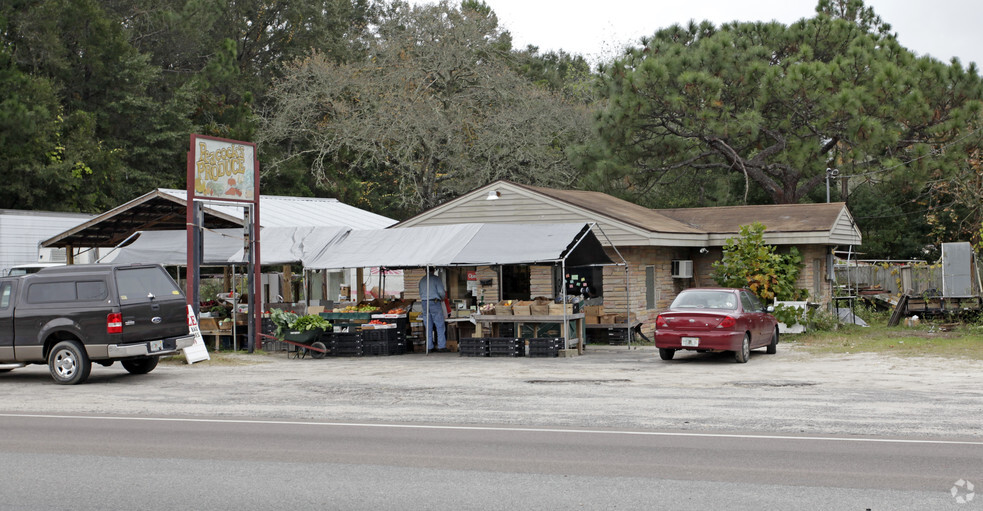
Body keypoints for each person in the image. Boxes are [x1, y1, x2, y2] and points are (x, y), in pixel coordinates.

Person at [418, 269, 448, 352]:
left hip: (424, 302)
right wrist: (442, 298)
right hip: (434, 302)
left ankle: (429, 347)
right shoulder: (436, 279)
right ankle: (441, 346)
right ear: (434, 270)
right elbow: (441, 292)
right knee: (439, 325)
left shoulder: (422, 280)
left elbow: (420, 293)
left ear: (425, 270)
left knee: (428, 326)